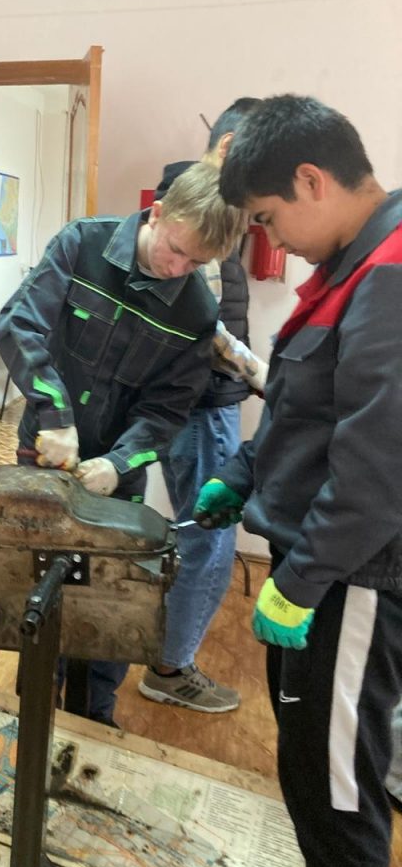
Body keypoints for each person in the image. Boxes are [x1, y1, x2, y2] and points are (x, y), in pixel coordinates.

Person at [194, 94, 402, 867]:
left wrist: (302, 579)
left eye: (270, 217)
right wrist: (241, 476)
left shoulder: (391, 273)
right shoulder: (348, 269)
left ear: (312, 179)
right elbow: (298, 411)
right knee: (310, 772)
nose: (272, 240)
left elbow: (379, 467)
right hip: (314, 570)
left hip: (350, 579)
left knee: (337, 794)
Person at [0, 161, 247, 727]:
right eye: (175, 250)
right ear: (156, 213)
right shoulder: (81, 244)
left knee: (112, 600)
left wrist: (119, 461)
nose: (177, 269)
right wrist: (54, 413)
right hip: (45, 455)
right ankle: (32, 714)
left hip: (117, 477)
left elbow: (167, 410)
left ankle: (96, 720)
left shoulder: (197, 311)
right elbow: (19, 325)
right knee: (38, 587)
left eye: (195, 263)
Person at [139, 98, 269, 714]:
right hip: (202, 404)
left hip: (202, 403)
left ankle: (162, 649)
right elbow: (204, 331)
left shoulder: (204, 211)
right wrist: (261, 374)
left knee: (196, 534)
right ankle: (169, 668)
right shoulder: (201, 213)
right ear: (230, 148)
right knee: (209, 541)